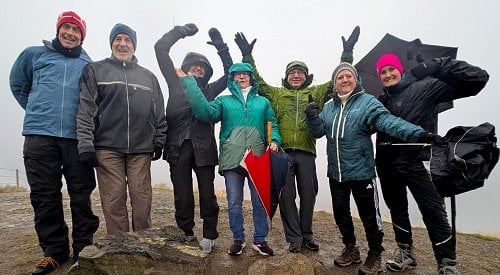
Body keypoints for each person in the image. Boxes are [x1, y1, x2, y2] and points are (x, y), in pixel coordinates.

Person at [234, 26, 360, 253]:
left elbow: (340, 78)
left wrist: (347, 53)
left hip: (306, 151)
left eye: (300, 72)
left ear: (306, 76)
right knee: (287, 196)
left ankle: (307, 235)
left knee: (309, 195)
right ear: (286, 76)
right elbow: (258, 82)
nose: (296, 75)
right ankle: (294, 238)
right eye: (292, 72)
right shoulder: (276, 94)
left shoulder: (317, 92)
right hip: (281, 153)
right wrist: (247, 56)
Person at [306, 62, 438, 275]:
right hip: (336, 172)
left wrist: (419, 134)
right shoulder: (329, 106)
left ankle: (375, 253)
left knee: (369, 216)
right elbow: (319, 131)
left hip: (362, 172)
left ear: (356, 80)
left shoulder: (367, 102)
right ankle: (351, 248)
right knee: (341, 214)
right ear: (335, 83)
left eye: (349, 76)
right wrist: (312, 118)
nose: (345, 80)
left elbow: (388, 122)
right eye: (340, 77)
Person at [374, 53, 489, 274]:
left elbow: (478, 79)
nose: (388, 75)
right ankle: (405, 252)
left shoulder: (427, 86)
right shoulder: (381, 101)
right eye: (383, 72)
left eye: (391, 69)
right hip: (387, 164)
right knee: (397, 209)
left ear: (401, 70)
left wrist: (438, 65)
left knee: (433, 211)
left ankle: (447, 263)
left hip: (419, 161)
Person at [9, 11, 99, 274]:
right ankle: (53, 251)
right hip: (39, 136)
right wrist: (36, 109)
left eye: (76, 30)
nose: (71, 33)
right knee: (44, 196)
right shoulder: (34, 54)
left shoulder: (88, 64)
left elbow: (94, 99)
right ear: (58, 29)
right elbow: (18, 84)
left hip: (76, 138)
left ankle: (83, 249)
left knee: (81, 195)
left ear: (82, 35)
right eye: (67, 27)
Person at [177, 62, 281, 256]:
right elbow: (205, 113)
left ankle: (260, 240)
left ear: (251, 78)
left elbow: (271, 123)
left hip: (257, 157)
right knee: (234, 202)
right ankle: (238, 239)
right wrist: (190, 84)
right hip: (231, 158)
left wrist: (274, 139)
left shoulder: (263, 102)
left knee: (259, 202)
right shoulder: (223, 101)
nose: (241, 77)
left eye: (245, 74)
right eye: (236, 75)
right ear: (232, 79)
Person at [77, 23, 167, 235]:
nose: (122, 44)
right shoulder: (95, 70)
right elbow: (86, 110)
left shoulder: (148, 77)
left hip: (141, 148)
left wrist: (159, 139)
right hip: (106, 149)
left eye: (127, 40)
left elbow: (158, 111)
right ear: (111, 43)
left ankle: (144, 244)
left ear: (134, 46)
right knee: (114, 200)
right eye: (118, 39)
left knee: (142, 198)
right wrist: (85, 145)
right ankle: (119, 249)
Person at [154, 23, 232, 253]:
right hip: (176, 148)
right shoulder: (174, 83)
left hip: (205, 149)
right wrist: (180, 31)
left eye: (202, 67)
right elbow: (160, 48)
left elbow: (230, 73)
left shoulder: (209, 90)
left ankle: (209, 234)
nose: (198, 69)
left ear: (206, 73)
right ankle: (185, 232)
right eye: (194, 66)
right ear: (186, 68)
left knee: (207, 194)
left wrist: (221, 47)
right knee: (182, 195)